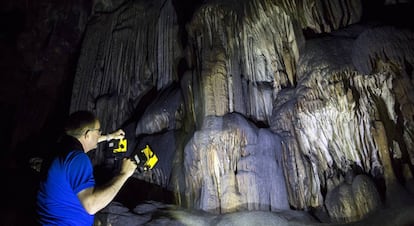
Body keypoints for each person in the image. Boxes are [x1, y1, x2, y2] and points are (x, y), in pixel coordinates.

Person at [36, 110, 137, 225]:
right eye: (98, 131)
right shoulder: (77, 159)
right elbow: (91, 206)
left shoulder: (59, 147)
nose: (99, 134)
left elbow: (86, 141)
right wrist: (124, 174)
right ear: (87, 134)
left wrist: (109, 137)